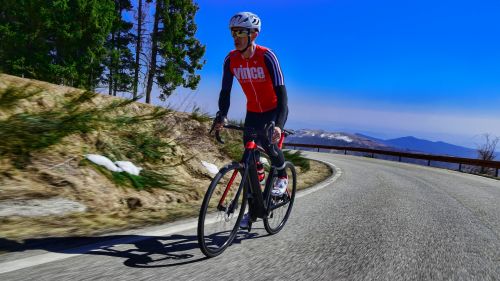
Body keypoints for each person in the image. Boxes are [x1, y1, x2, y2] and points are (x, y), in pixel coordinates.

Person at [214, 12, 289, 228]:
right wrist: (222, 114)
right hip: (253, 112)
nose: (235, 37)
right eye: (232, 32)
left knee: (269, 144)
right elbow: (225, 91)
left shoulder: (267, 56)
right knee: (248, 153)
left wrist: (279, 125)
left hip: (274, 110)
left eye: (240, 32)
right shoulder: (231, 59)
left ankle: (282, 176)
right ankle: (255, 206)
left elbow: (282, 95)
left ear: (253, 35)